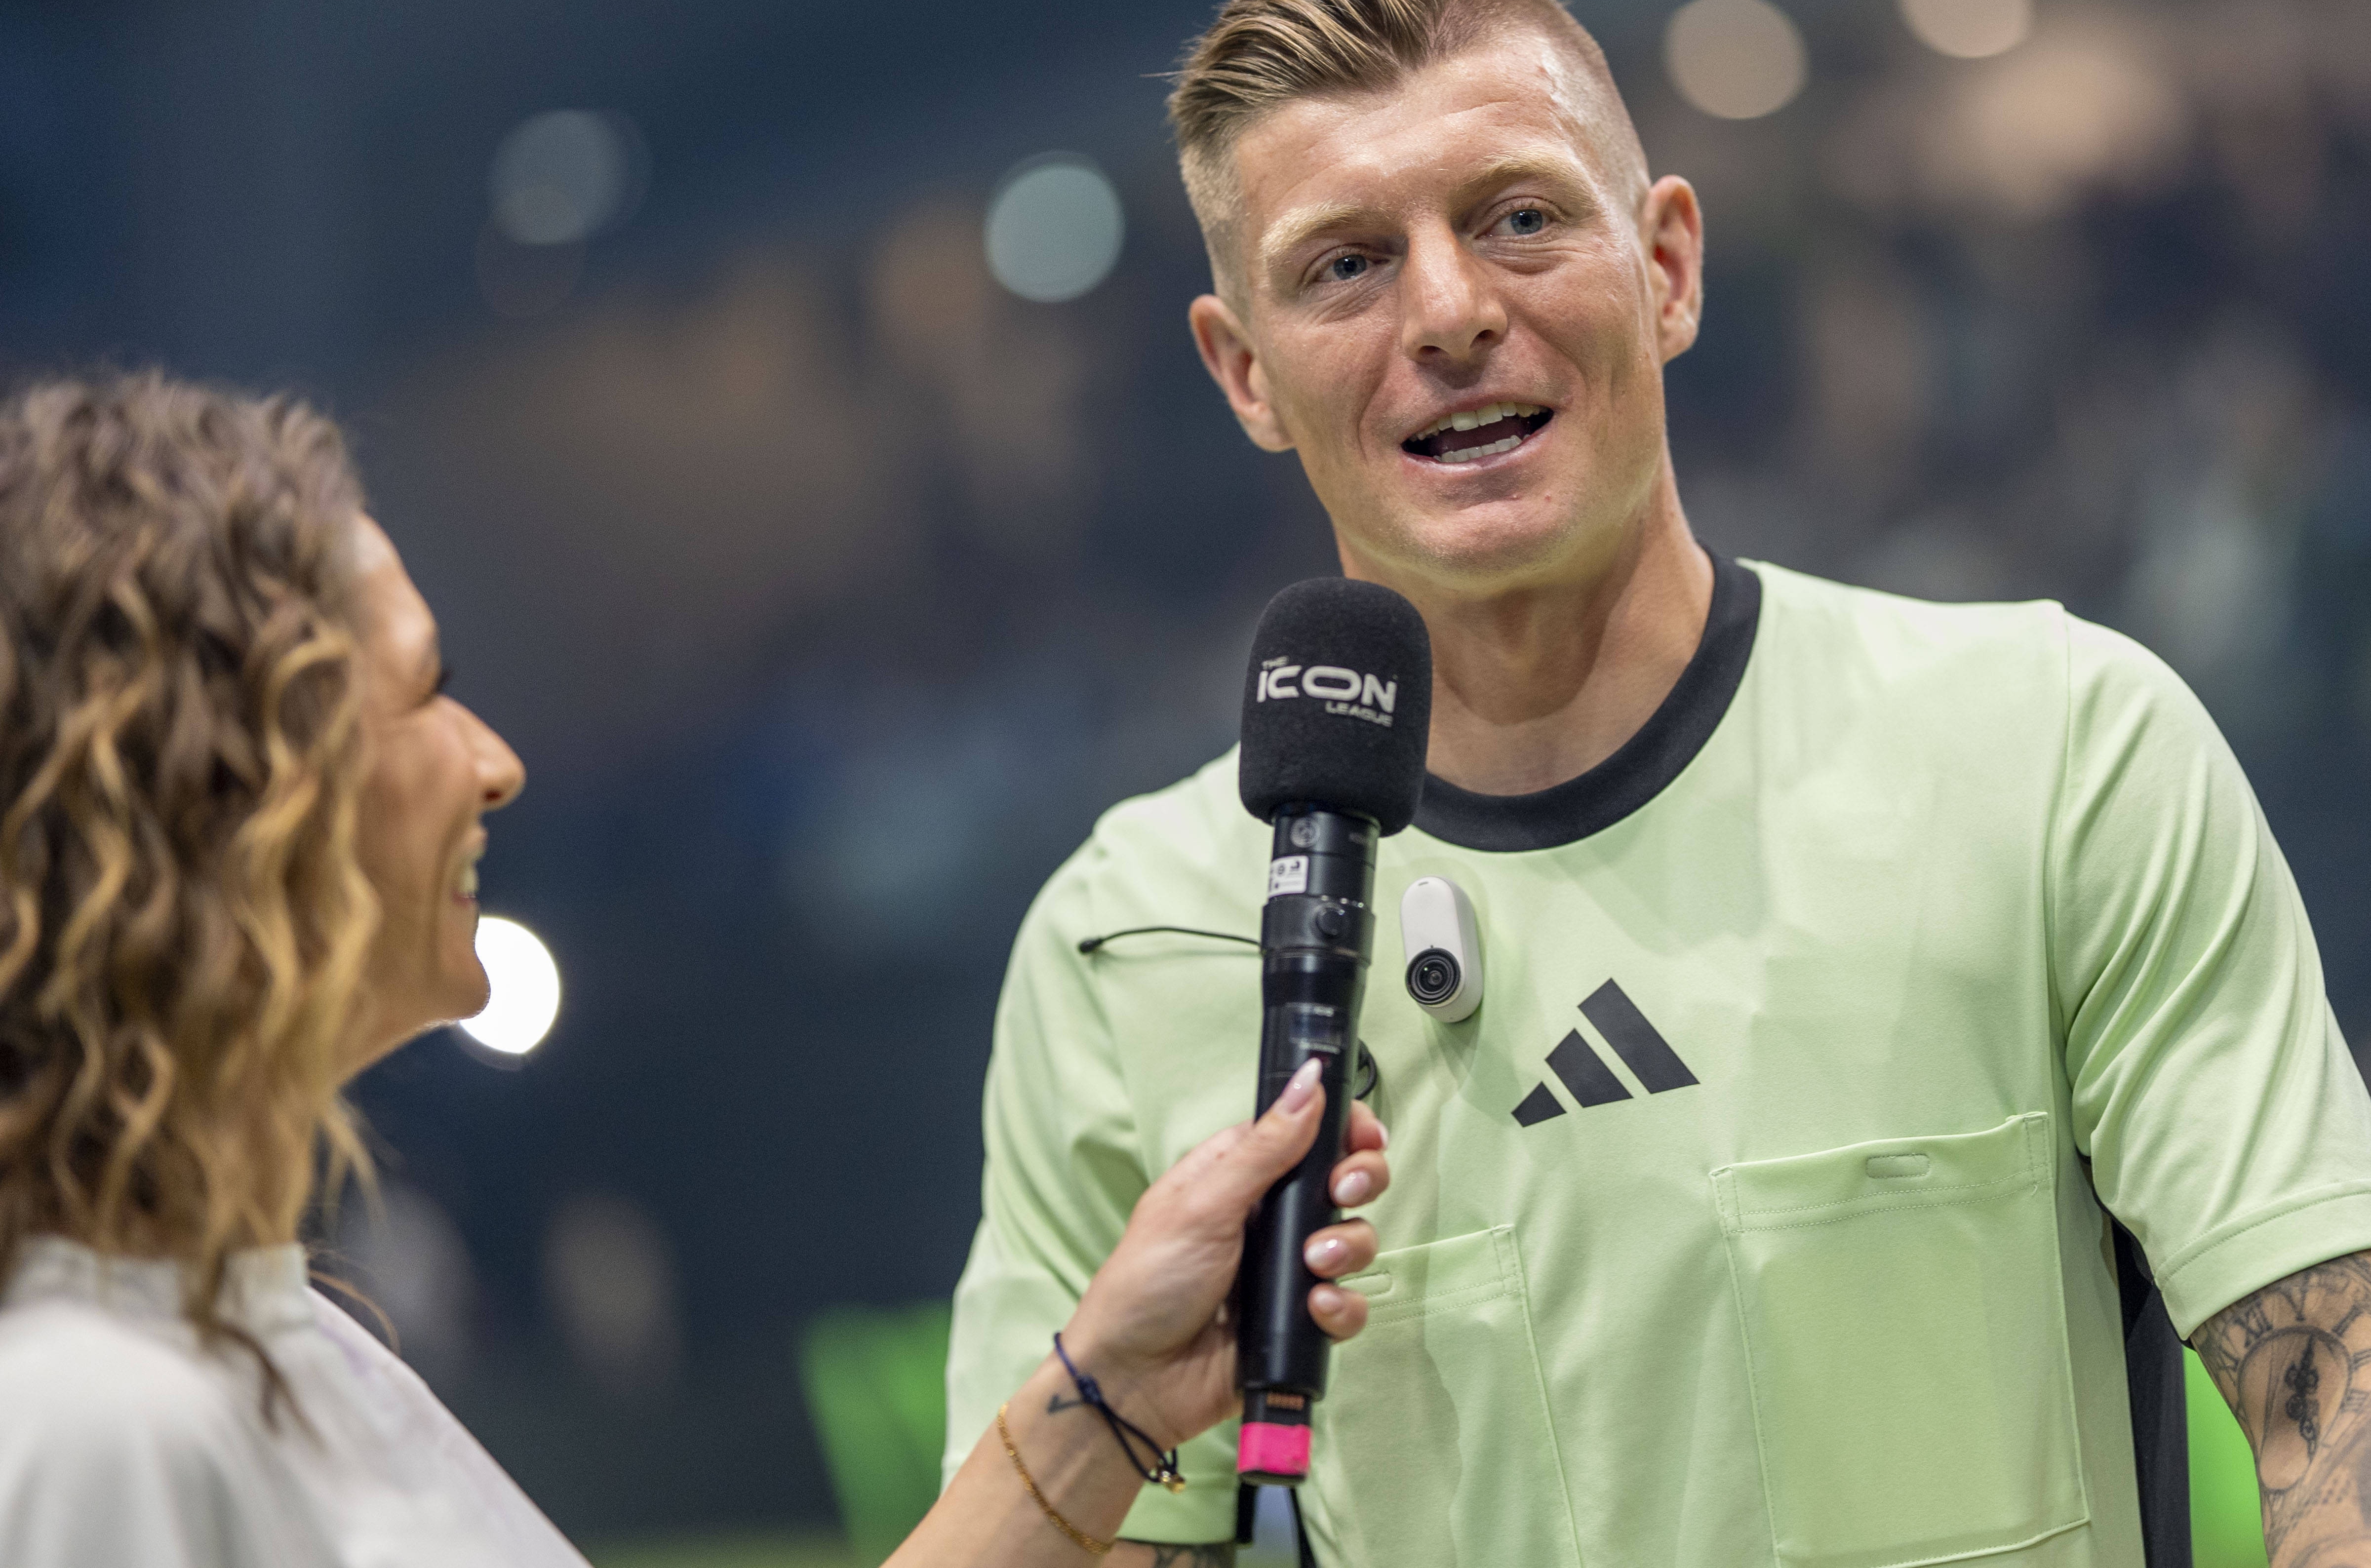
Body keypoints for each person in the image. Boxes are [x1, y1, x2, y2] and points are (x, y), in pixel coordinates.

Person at [941, 0, 2371, 1568]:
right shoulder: (1127, 943)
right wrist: (1098, 1404)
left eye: (1520, 218)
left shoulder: (2054, 750)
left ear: (1670, 267)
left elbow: (2364, 1427)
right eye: (1345, 265)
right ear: (1245, 373)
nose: (1452, 310)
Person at [0, 373, 1390, 1566]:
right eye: (424, 691)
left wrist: (1113, 1392)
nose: (494, 764)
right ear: (237, 796)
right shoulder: (90, 1415)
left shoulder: (267, 1338)